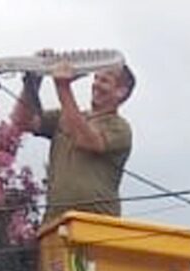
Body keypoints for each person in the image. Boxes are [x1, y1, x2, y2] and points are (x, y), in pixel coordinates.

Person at [12, 60, 135, 223]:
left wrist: (63, 87)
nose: (96, 84)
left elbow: (85, 139)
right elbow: (22, 121)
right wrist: (31, 83)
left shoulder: (120, 127)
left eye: (104, 81)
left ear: (121, 91)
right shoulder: (66, 117)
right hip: (55, 222)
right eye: (96, 78)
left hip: (96, 223)